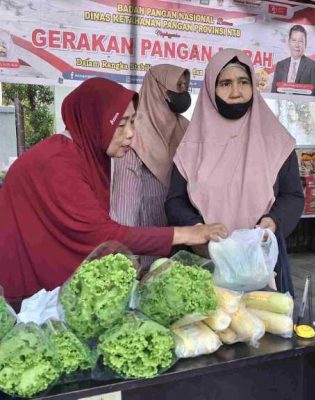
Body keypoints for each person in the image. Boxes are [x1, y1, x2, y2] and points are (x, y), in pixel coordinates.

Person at [0, 77, 227, 303]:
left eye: (132, 122)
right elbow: (101, 234)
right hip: (23, 284)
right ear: (94, 122)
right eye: (120, 124)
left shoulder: (88, 153)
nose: (130, 133)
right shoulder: (57, 161)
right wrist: (188, 233)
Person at [166, 49, 305, 295]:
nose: (236, 92)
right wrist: (197, 229)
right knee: (208, 327)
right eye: (225, 84)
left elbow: (293, 196)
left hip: (260, 262)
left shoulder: (276, 142)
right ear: (211, 89)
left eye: (243, 82)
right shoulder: (192, 146)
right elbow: (175, 201)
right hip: (205, 262)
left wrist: (274, 221)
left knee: (262, 328)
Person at [110, 65, 191, 269]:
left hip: (185, 244)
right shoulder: (134, 136)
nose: (183, 92)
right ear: (157, 88)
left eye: (185, 86)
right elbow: (124, 207)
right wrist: (127, 256)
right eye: (177, 86)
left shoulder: (186, 128)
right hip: (145, 253)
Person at [271, 24, 315, 94]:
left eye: (300, 41)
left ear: (305, 44)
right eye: (294, 40)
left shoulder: (313, 66)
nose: (297, 45)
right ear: (289, 42)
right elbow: (274, 92)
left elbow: (313, 94)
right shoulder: (280, 65)